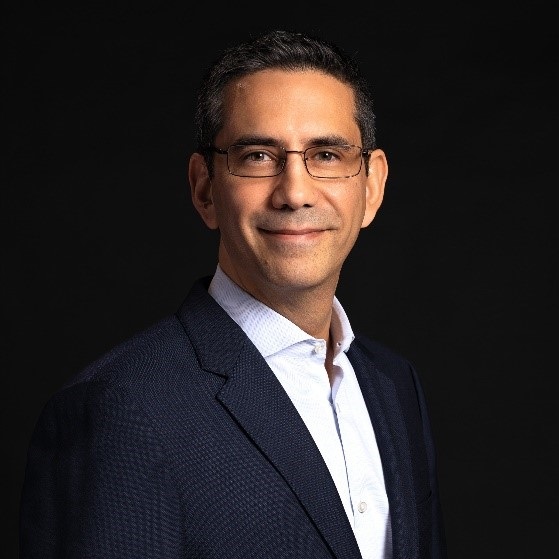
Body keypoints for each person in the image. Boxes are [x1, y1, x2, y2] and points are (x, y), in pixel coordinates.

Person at [19, 29, 446, 559]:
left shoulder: (394, 386)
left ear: (372, 186)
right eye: (258, 156)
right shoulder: (119, 409)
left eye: (327, 154)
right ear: (205, 189)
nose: (295, 192)